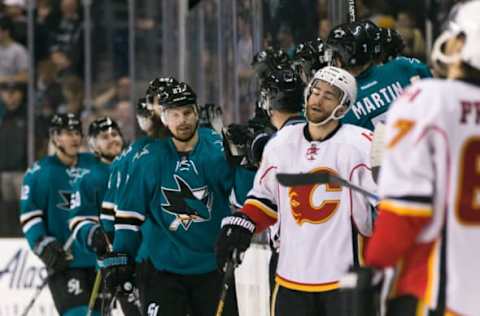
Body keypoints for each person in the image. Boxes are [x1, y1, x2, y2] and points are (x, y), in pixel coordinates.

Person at [216, 66, 377, 316]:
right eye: (315, 91)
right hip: (291, 280)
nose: (317, 100)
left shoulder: (361, 145)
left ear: (343, 107)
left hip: (345, 282)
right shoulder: (280, 145)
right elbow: (266, 200)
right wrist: (242, 224)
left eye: (329, 95)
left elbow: (388, 204)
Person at [365, 1, 480, 315]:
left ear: (462, 43)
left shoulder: (427, 99)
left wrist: (372, 270)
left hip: (442, 296)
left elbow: (406, 212)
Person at [101, 81, 253, 316]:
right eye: (174, 114)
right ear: (164, 117)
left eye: (187, 112)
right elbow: (129, 219)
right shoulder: (147, 158)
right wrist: (122, 257)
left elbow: (243, 201)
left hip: (213, 269)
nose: (182, 120)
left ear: (196, 112)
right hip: (164, 273)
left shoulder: (217, 148)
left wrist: (244, 163)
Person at [19, 113, 99, 316]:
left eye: (77, 133)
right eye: (67, 133)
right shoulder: (38, 173)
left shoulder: (94, 165)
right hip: (66, 262)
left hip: (98, 259)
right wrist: (43, 244)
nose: (74, 138)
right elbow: (30, 216)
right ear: (55, 137)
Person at [326, 21, 432, 130]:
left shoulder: (342, 99)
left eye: (336, 53)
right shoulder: (404, 66)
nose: (333, 59)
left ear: (347, 55)